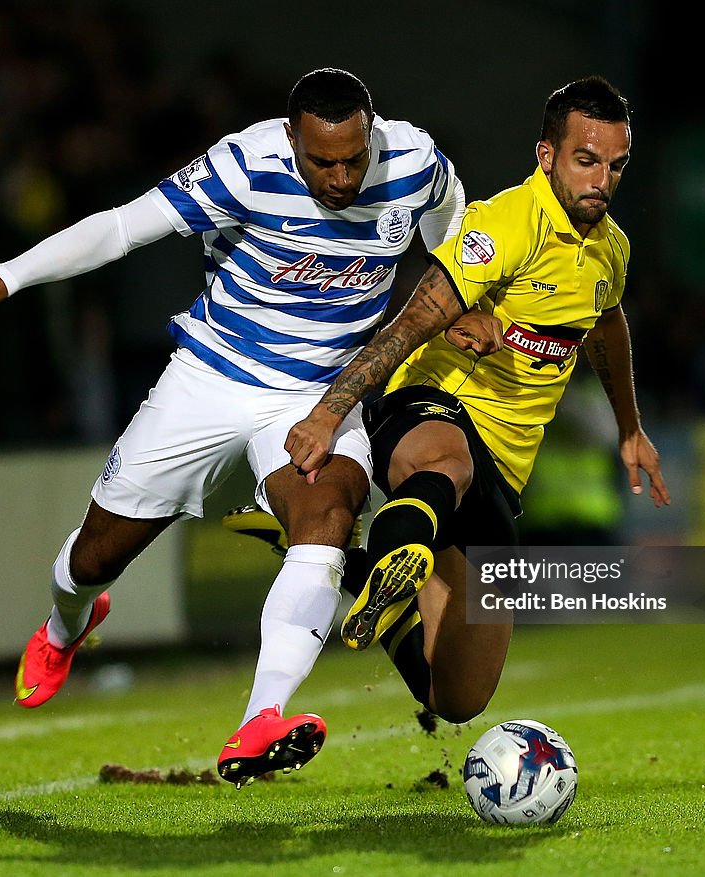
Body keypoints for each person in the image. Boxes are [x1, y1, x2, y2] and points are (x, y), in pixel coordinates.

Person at [0, 68, 467, 788]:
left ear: (371, 133)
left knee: (326, 517)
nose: (342, 175)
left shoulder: (412, 160)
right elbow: (122, 227)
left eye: (354, 157)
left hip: (319, 395)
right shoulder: (243, 165)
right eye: (323, 161)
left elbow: (453, 219)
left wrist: (459, 296)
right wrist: (3, 279)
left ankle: (263, 716)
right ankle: (67, 622)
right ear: (291, 139)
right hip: (210, 380)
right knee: (93, 559)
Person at [282, 75, 670, 723]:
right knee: (447, 464)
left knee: (456, 697)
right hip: (429, 410)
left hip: (504, 470)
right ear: (546, 155)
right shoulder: (503, 225)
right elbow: (408, 324)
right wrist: (328, 412)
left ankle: (366, 575)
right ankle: (366, 539)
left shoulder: (611, 252)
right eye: (586, 159)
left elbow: (606, 324)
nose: (601, 178)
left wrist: (631, 427)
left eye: (615, 164)